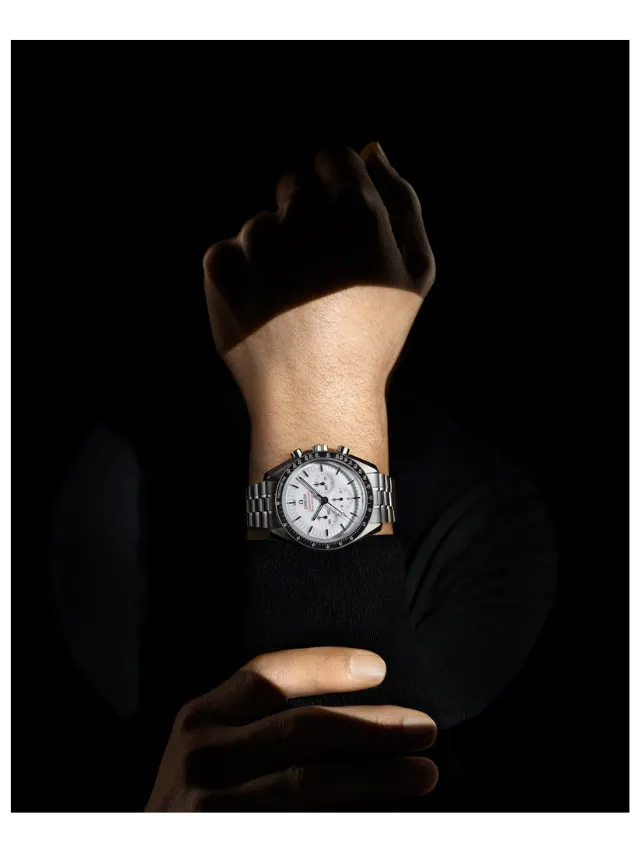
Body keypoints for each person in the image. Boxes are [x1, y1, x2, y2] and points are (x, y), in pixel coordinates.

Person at [47, 143, 558, 816]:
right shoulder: (113, 481)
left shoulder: (498, 527)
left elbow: (357, 771)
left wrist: (320, 396)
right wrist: (323, 394)